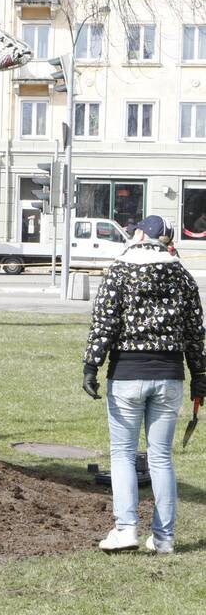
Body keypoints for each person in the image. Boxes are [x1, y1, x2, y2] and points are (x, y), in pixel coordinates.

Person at [82, 214, 206, 554]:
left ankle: (126, 530)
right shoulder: (180, 274)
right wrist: (200, 376)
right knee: (161, 457)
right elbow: (196, 332)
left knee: (122, 455)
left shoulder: (120, 270)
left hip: (126, 375)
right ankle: (164, 538)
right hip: (169, 376)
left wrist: (91, 365)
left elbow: (104, 321)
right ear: (165, 240)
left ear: (138, 234)